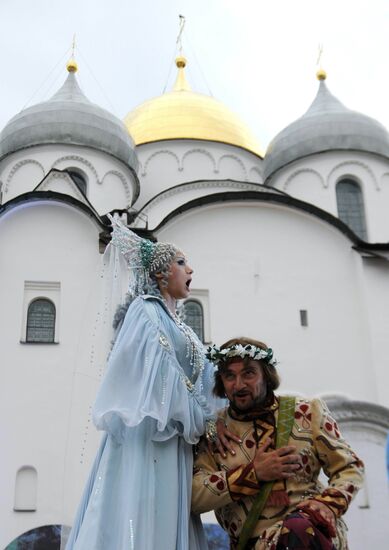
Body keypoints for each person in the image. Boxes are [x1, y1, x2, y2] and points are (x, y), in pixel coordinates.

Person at [66, 215, 226, 550]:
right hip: (151, 434)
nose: (191, 270)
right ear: (160, 272)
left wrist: (220, 409)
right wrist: (202, 417)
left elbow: (206, 375)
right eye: (182, 263)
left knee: (169, 516)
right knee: (143, 512)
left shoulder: (182, 327)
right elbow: (156, 372)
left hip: (176, 440)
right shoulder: (145, 310)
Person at [192, 337, 364, 550]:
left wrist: (327, 505)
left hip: (312, 537)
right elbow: (194, 496)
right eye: (229, 376)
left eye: (248, 373)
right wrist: (252, 474)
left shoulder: (308, 412)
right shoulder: (216, 430)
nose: (238, 384)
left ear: (266, 375)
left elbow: (349, 467)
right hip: (252, 544)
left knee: (298, 529)